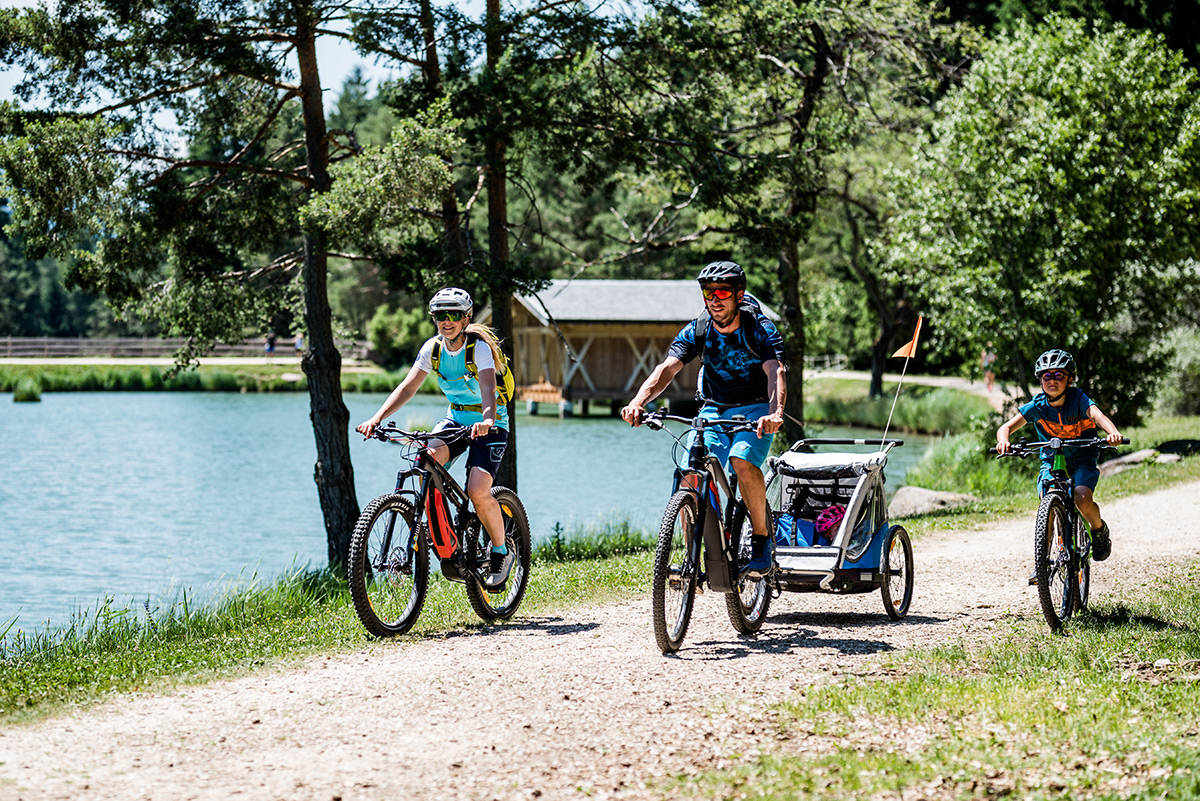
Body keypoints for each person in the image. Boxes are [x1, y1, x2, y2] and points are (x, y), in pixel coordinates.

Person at [622, 261, 786, 578]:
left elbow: (774, 372)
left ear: (739, 294)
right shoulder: (699, 329)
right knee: (689, 473)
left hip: (756, 410)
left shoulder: (760, 329)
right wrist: (638, 401)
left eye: (723, 291)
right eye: (708, 292)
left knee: (741, 461)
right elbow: (667, 369)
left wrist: (775, 412)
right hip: (713, 409)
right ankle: (691, 558)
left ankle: (762, 539)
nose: (715, 299)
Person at [356, 288, 515, 587]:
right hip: (455, 419)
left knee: (479, 492)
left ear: (466, 318)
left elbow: (487, 389)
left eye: (454, 315)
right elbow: (407, 387)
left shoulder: (477, 349)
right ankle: (444, 532)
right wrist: (377, 418)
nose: (447, 321)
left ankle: (500, 550)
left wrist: (488, 418)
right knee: (426, 458)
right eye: (441, 316)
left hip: (489, 423)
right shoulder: (433, 349)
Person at [995, 348, 1122, 583]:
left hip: (1083, 456)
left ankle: (1098, 530)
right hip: (1052, 459)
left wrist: (1112, 432)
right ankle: (1042, 564)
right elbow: (1006, 428)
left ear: (1070, 379)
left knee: (1082, 497)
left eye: (1059, 375)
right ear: (1040, 379)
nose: (1052, 380)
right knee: (1048, 503)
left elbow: (1098, 415)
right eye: (1047, 376)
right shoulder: (1038, 405)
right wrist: (1004, 441)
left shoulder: (1079, 399)